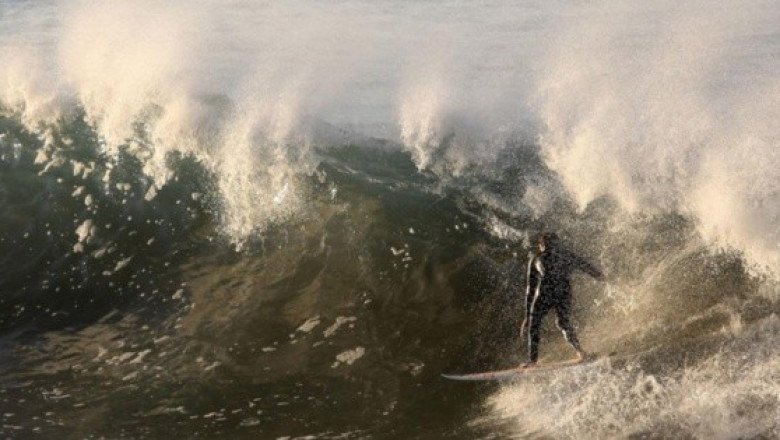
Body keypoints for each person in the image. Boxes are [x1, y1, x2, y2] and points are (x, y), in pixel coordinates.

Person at [520, 232, 604, 367]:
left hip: (545, 293)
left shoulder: (537, 258)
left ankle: (532, 360)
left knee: (535, 324)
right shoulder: (565, 255)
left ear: (541, 245)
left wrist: (528, 315)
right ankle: (580, 352)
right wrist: (599, 276)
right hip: (562, 292)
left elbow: (530, 288)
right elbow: (585, 266)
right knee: (562, 322)